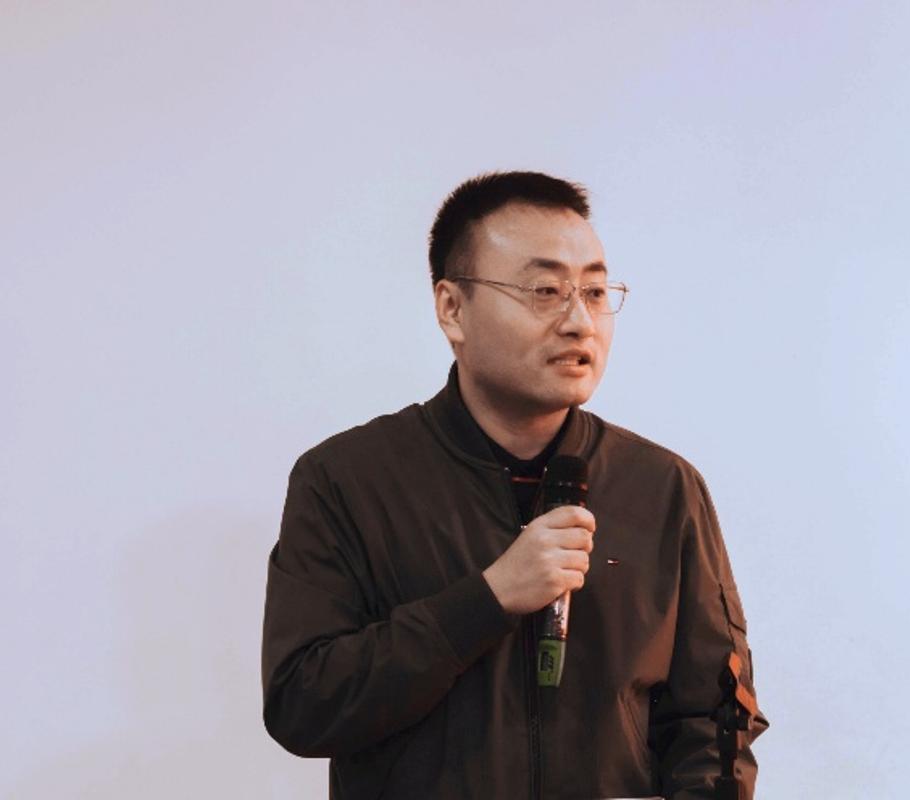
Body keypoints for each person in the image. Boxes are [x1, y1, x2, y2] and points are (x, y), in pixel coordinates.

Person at [261, 171, 768, 799]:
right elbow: (302, 705)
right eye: (546, 290)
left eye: (594, 291)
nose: (580, 321)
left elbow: (714, 721)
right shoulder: (346, 480)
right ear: (452, 308)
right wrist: (488, 599)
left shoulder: (663, 487)